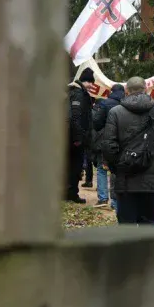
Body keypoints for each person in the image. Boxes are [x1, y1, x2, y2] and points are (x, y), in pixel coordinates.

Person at [101, 77, 154, 225]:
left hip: (125, 178)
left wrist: (116, 168)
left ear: (126, 91)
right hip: (152, 180)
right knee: (149, 224)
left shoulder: (115, 112)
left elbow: (108, 145)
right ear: (146, 89)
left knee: (126, 226)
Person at [91, 83, 125, 209]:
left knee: (101, 168)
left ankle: (103, 198)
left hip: (105, 140)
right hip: (122, 141)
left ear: (111, 91)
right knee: (117, 170)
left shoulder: (105, 104)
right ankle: (116, 203)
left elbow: (97, 123)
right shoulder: (126, 104)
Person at [66, 67, 95, 204]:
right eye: (90, 82)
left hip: (70, 137)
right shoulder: (78, 94)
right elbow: (76, 118)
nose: (91, 86)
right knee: (75, 167)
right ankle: (71, 193)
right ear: (85, 81)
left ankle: (68, 192)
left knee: (70, 165)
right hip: (75, 138)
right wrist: (78, 138)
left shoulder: (74, 92)